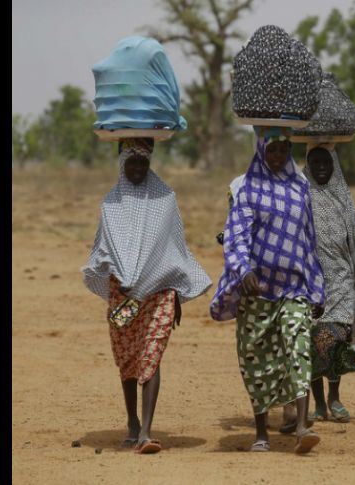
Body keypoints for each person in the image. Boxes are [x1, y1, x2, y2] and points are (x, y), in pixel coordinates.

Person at [82, 138, 212, 454]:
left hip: (159, 291)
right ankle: (132, 423)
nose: (139, 168)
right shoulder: (111, 203)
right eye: (132, 162)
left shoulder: (166, 198)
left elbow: (174, 249)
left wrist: (178, 293)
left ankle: (147, 432)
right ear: (122, 164)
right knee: (128, 359)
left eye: (143, 162)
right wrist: (121, 274)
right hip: (122, 294)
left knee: (151, 353)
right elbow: (102, 249)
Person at [210, 130, 326, 454]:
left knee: (299, 345)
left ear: (290, 151)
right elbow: (236, 235)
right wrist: (244, 270)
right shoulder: (248, 188)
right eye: (271, 151)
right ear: (262, 151)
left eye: (282, 151)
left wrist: (315, 289)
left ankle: (303, 425)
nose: (276, 157)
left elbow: (308, 241)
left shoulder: (301, 187)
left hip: (294, 287)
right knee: (256, 359)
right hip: (257, 290)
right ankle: (261, 432)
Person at [303, 144, 355, 423]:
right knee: (314, 343)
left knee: (334, 340)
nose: (322, 166)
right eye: (316, 161)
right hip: (313, 283)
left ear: (334, 164)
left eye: (327, 161)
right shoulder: (301, 196)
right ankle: (319, 404)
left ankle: (334, 397)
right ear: (308, 165)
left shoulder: (342, 198)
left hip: (343, 280)